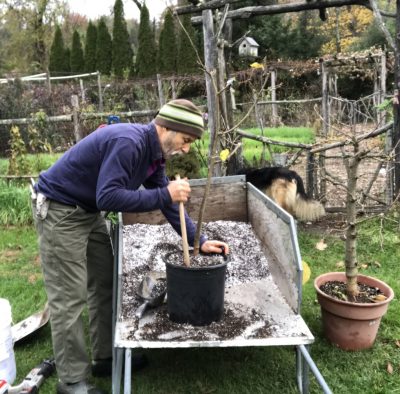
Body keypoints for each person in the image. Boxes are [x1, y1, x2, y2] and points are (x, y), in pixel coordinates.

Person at [32, 99, 229, 394]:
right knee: (68, 297)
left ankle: (105, 356)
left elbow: (169, 205)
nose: (186, 148)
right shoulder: (129, 142)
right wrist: (165, 193)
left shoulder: (154, 155)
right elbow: (108, 198)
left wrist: (198, 240)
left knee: (105, 283)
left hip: (87, 211)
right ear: (166, 128)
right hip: (60, 210)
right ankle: (72, 381)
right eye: (186, 140)